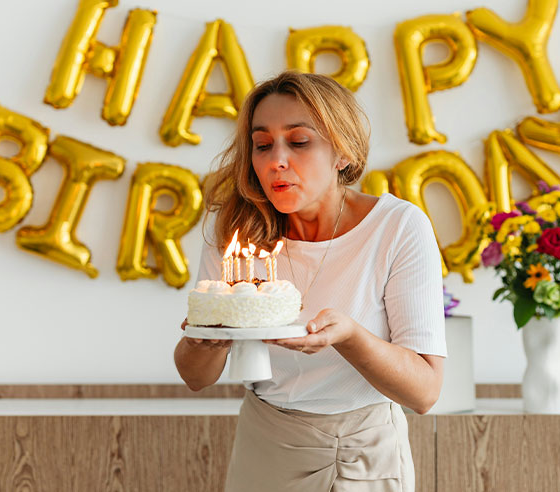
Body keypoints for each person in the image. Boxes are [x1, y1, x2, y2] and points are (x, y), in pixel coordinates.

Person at [173, 70, 447, 492]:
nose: (275, 160)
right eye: (262, 145)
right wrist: (205, 339)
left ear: (342, 152)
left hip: (367, 449)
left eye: (298, 142)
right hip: (268, 445)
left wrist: (350, 336)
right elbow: (196, 377)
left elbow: (424, 393)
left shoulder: (397, 227)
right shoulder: (235, 230)